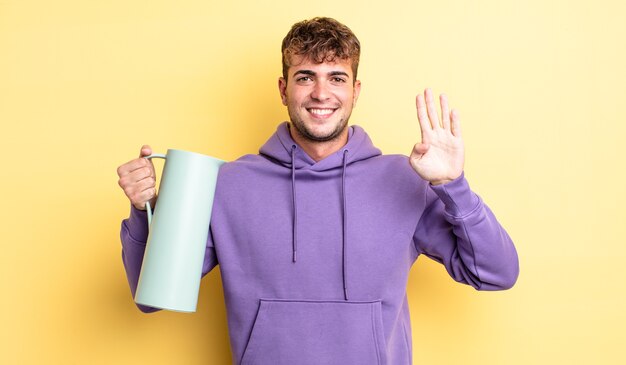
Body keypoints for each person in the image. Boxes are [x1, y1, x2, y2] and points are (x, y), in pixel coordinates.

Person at [116, 17, 519, 365]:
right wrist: (145, 209)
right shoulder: (229, 183)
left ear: (355, 91)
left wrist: (453, 186)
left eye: (336, 78)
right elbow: (150, 298)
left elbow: (497, 273)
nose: (321, 94)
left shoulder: (406, 178)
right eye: (305, 76)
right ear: (283, 88)